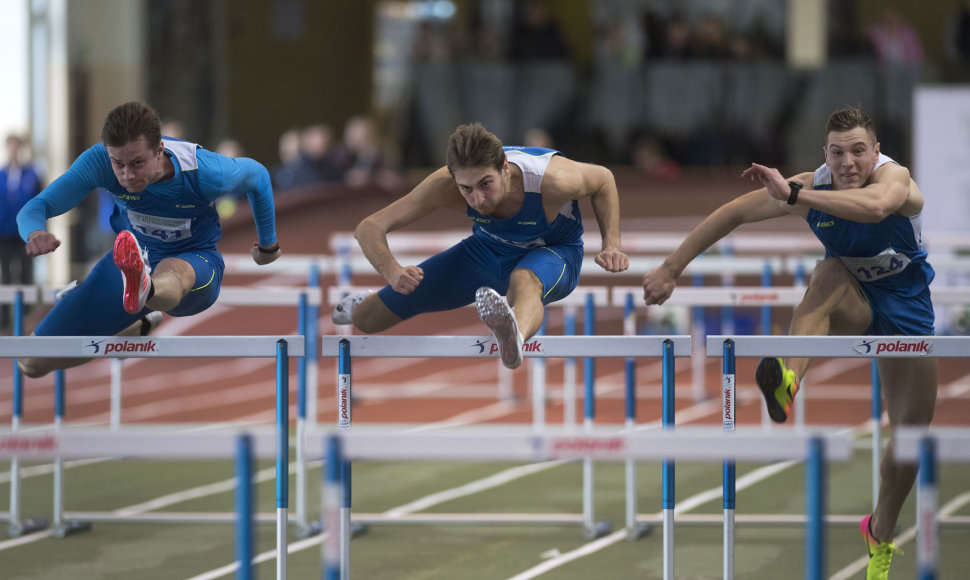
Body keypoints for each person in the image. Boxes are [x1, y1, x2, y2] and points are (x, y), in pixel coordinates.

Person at [642, 106, 934, 579]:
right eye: (838, 154)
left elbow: (877, 207)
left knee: (909, 443)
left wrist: (799, 196)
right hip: (852, 302)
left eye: (859, 151)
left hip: (907, 311)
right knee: (829, 271)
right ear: (825, 155)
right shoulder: (810, 183)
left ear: (875, 151)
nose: (849, 163)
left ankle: (879, 533)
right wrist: (671, 268)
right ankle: (788, 379)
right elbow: (732, 213)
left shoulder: (895, 178)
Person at [16, 101, 281, 377]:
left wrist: (268, 245)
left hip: (195, 263)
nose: (127, 175)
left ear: (159, 150)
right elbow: (37, 206)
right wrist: (34, 232)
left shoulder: (204, 171)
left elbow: (258, 176)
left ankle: (146, 289)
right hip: (127, 262)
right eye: (118, 164)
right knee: (31, 361)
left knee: (174, 273)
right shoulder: (100, 161)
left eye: (137, 163)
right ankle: (135, 323)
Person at [332, 122, 629, 369]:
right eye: (467, 189)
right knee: (367, 321)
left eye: (485, 184)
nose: (477, 199)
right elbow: (368, 228)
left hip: (554, 252)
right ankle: (367, 302)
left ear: (504, 169)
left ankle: (514, 335)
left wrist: (611, 244)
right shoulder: (444, 186)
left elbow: (604, 179)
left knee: (525, 282)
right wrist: (393, 272)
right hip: (486, 251)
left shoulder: (553, 179)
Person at [1, 134, 44, 329]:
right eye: (11, 146)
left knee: (26, 276)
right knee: (6, 276)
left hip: (25, 235)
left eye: (17, 146)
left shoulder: (32, 174)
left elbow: (39, 202)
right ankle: (4, 321)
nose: (14, 150)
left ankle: (26, 321)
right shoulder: (1, 175)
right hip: (4, 234)